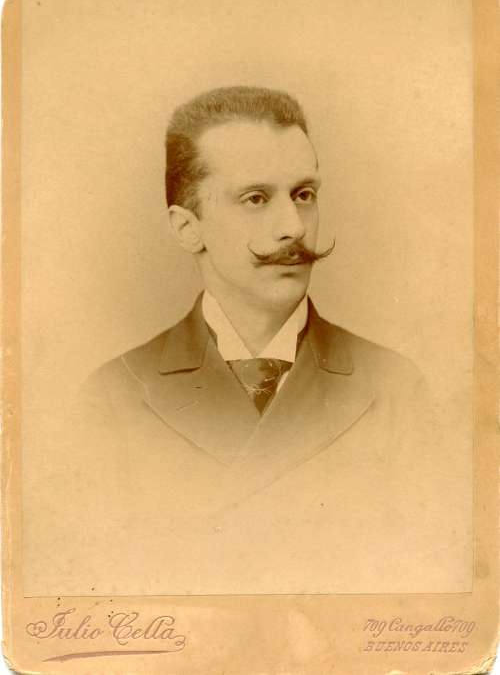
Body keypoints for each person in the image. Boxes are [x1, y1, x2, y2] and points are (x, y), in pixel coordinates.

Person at [75, 86, 467, 594]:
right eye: (256, 199)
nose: (293, 227)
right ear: (188, 227)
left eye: (303, 195)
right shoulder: (114, 399)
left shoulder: (395, 389)